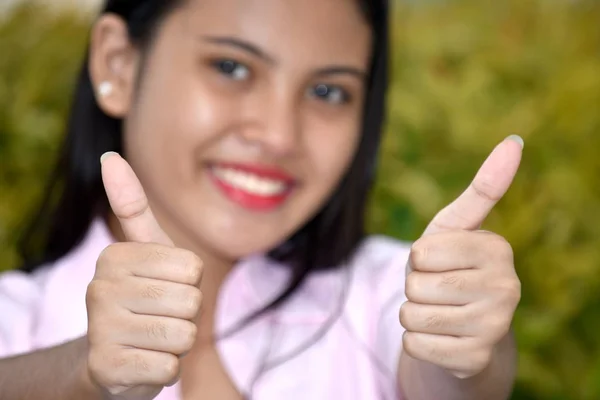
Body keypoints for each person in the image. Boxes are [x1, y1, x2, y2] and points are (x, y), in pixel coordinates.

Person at [0, 0, 524, 399]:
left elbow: (444, 377)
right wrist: (84, 374)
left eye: (328, 92)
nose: (279, 136)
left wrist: (463, 344)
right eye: (231, 67)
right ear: (118, 64)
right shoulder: (16, 321)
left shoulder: (383, 291)